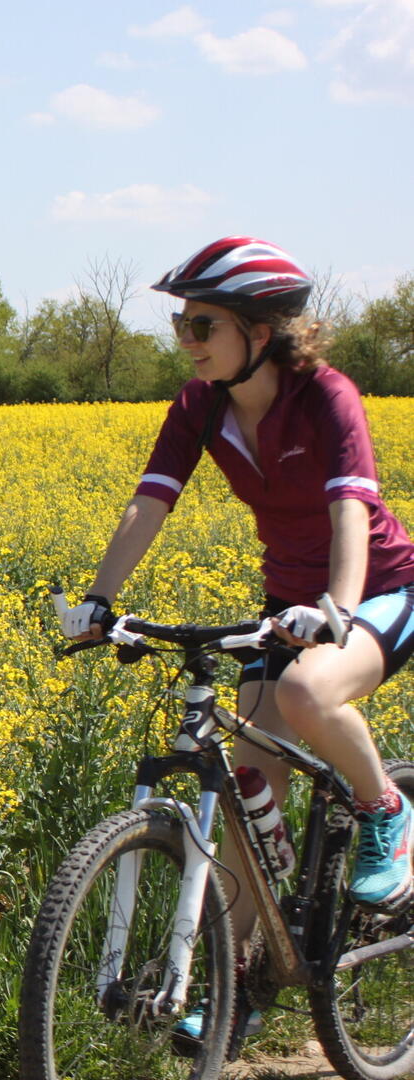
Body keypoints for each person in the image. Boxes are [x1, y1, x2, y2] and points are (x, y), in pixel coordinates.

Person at [61, 235, 414, 1044]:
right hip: (288, 602)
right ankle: (245, 984)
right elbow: (150, 501)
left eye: (201, 324)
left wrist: (337, 608)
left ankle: (386, 809)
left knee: (306, 690)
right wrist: (99, 598)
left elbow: (349, 514)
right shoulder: (200, 406)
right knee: (255, 798)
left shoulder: (325, 396)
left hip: (381, 590)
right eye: (181, 323)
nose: (185, 339)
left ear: (260, 330)